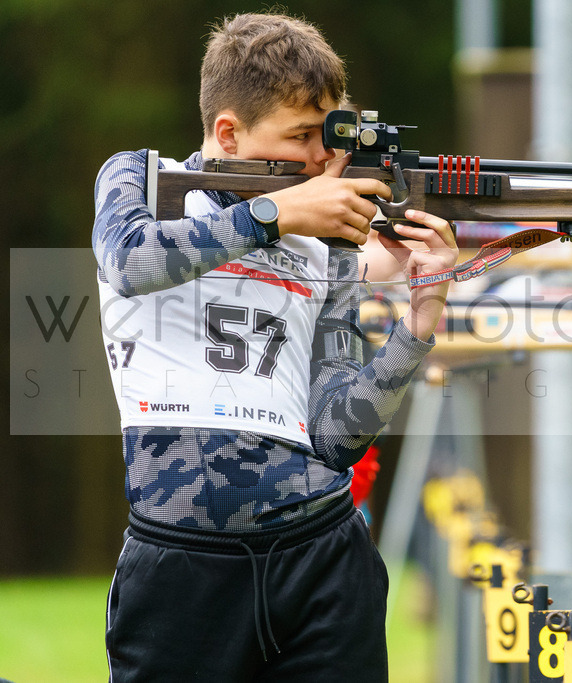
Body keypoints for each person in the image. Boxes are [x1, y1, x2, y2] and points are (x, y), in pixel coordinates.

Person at [93, 12, 456, 681]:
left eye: (329, 140)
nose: (323, 161)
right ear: (228, 131)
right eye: (302, 138)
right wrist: (277, 213)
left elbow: (339, 433)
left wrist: (420, 317)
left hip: (324, 560)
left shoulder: (330, 242)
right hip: (182, 568)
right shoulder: (141, 177)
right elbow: (129, 260)